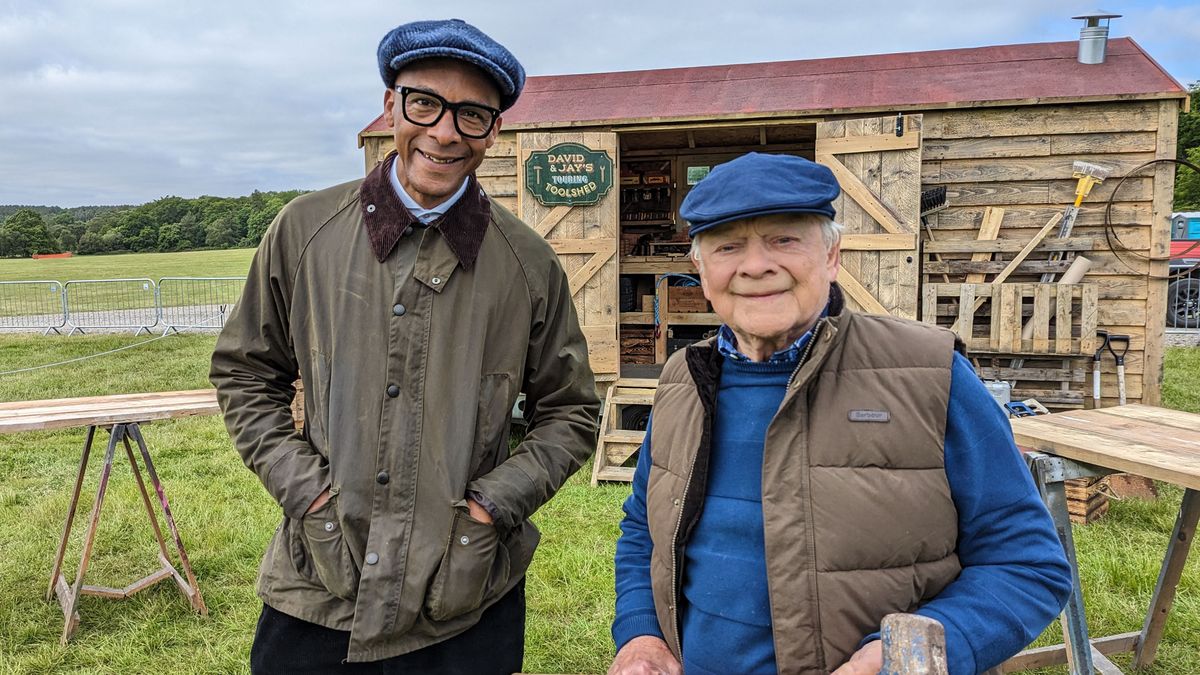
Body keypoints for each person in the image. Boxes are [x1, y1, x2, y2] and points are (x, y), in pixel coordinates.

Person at [210, 18, 599, 674]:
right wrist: (307, 492)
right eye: (425, 103)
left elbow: (572, 411)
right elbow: (245, 371)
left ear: (494, 130)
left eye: (472, 114)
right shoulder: (304, 232)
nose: (445, 131)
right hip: (319, 594)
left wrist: (489, 508)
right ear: (391, 105)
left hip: (468, 600)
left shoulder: (527, 263)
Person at [608, 153, 1072, 675]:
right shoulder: (682, 380)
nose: (756, 265)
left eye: (785, 239)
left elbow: (1027, 565)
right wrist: (641, 635)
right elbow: (643, 531)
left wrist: (902, 657)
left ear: (832, 256)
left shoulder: (929, 373)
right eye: (727, 246)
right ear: (701, 269)